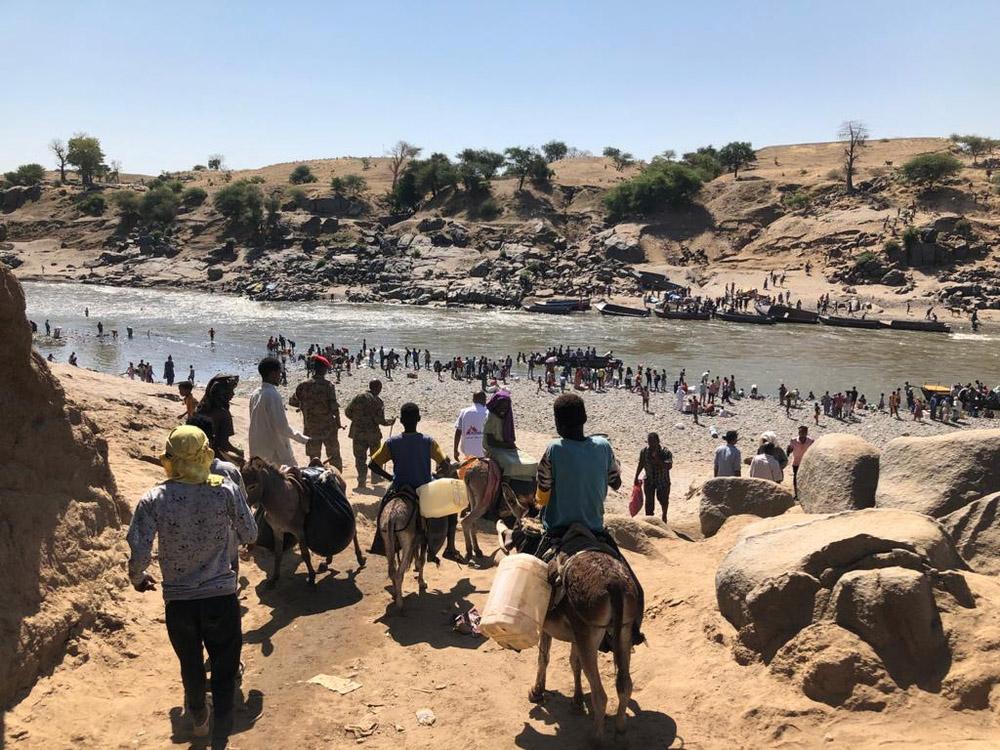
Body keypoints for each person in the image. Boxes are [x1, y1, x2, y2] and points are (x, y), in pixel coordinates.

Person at [126, 425, 256, 740]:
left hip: (179, 601)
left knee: (191, 662)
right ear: (205, 454)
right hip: (221, 596)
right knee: (225, 661)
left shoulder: (154, 497)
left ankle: (198, 715)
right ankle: (223, 723)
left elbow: (139, 549)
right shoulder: (225, 489)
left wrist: (138, 579)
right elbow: (251, 533)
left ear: (170, 456)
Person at [248, 357, 309, 467]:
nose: (280, 376)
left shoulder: (255, 393)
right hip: (275, 453)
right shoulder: (272, 395)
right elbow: (282, 427)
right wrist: (303, 439)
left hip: (257, 450)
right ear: (272, 374)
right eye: (279, 373)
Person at [288, 355, 343, 470]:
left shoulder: (303, 385)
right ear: (324, 369)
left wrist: (304, 404)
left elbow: (292, 401)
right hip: (328, 427)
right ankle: (336, 480)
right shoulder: (329, 386)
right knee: (334, 456)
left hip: (311, 427)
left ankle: (315, 481)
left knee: (314, 457)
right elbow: (334, 407)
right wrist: (338, 423)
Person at [344, 379, 395, 489]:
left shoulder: (358, 397)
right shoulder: (378, 401)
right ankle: (375, 478)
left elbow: (348, 411)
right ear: (378, 388)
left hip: (358, 433)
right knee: (376, 457)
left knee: (360, 458)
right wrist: (390, 422)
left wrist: (357, 420)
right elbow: (380, 420)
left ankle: (361, 481)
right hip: (373, 434)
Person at [483, 390, 536, 482]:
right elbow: (490, 442)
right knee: (510, 465)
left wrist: (509, 445)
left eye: (506, 406)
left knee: (532, 462)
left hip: (505, 447)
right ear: (496, 404)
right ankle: (504, 485)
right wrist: (508, 445)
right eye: (501, 406)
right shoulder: (491, 418)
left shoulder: (506, 417)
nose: (504, 408)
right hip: (493, 448)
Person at [196, 374, 244, 465]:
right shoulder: (223, 414)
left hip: (192, 450)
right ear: (223, 393)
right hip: (209, 455)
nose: (233, 394)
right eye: (231, 390)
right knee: (241, 463)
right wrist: (238, 451)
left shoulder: (201, 407)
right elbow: (223, 445)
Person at [633, 432, 672, 523]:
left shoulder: (665, 452)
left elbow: (669, 466)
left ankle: (664, 516)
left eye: (653, 442)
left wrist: (658, 460)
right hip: (649, 479)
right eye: (649, 442)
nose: (651, 445)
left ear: (658, 442)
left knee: (663, 500)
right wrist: (636, 476)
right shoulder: (644, 451)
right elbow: (641, 464)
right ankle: (650, 521)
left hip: (662, 480)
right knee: (649, 502)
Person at [454, 391, 489, 461]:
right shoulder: (488, 413)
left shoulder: (464, 412)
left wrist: (455, 450)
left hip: (468, 452)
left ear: (473, 400)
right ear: (485, 400)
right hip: (484, 453)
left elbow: (458, 431)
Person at [786, 425, 815, 496]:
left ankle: (806, 493)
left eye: (803, 432)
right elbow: (789, 451)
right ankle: (796, 494)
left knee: (807, 478)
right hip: (796, 462)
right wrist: (788, 450)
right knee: (796, 477)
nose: (801, 433)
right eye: (800, 432)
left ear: (806, 432)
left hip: (807, 462)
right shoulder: (793, 440)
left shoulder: (811, 441)